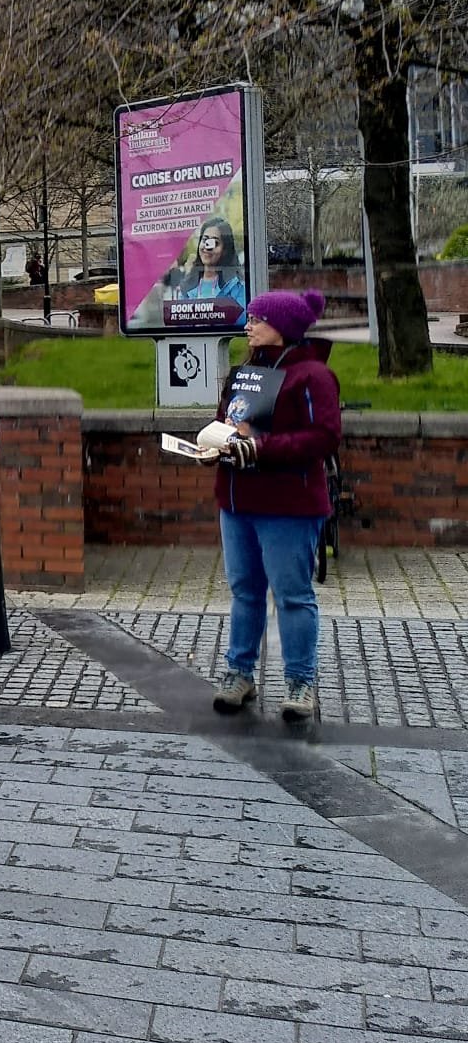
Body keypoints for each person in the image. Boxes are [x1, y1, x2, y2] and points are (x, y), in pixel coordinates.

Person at [209, 290, 341, 723]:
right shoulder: (244, 371)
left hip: (288, 504)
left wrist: (262, 448)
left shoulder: (312, 377)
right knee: (245, 591)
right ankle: (239, 673)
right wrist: (216, 441)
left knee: (292, 595)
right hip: (236, 498)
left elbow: (323, 438)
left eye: (257, 318)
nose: (248, 325)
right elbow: (229, 420)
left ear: (282, 328)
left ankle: (301, 683)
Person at [167, 216, 248, 306]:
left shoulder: (236, 286)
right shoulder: (187, 287)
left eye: (215, 243)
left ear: (225, 249)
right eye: (205, 240)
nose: (207, 247)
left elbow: (242, 318)